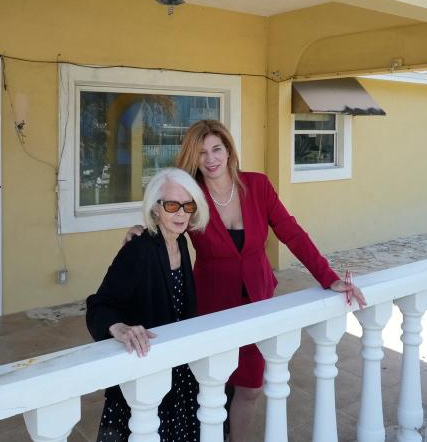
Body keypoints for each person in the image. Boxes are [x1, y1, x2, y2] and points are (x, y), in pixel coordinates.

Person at [128, 119, 366, 442]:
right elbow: (166, 221)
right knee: (210, 386)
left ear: (228, 150)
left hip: (258, 301)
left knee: (250, 388)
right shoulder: (191, 196)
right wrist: (142, 232)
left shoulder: (258, 186)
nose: (210, 159)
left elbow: (292, 234)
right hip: (211, 305)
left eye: (216, 149)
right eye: (200, 153)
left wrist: (329, 278)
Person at [86, 167, 211, 442]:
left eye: (187, 205)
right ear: (155, 210)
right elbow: (99, 304)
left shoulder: (182, 243)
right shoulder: (139, 250)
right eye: (171, 205)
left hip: (177, 373)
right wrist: (118, 327)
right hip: (144, 375)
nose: (181, 213)